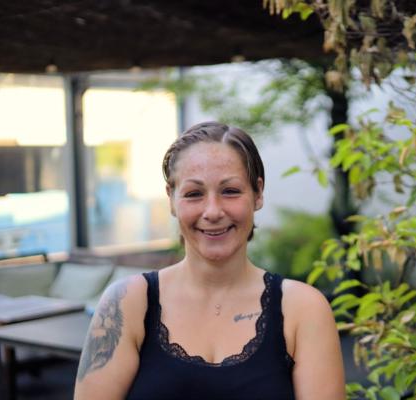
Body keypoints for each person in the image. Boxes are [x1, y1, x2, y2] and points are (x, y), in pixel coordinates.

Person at [74, 122, 345, 400]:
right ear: (171, 199)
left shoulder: (303, 310)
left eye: (230, 191)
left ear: (258, 193)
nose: (213, 211)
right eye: (194, 194)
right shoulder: (126, 304)